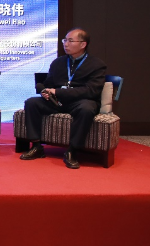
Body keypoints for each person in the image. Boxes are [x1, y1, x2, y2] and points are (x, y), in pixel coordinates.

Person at [20, 28, 106, 169]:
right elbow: (48, 83)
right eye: (64, 40)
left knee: (87, 108)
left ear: (83, 44)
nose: (65, 44)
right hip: (57, 101)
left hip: (80, 102)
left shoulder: (96, 64)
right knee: (32, 103)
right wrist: (45, 91)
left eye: (70, 41)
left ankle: (72, 151)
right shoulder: (58, 62)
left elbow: (91, 91)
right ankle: (36, 146)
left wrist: (58, 92)